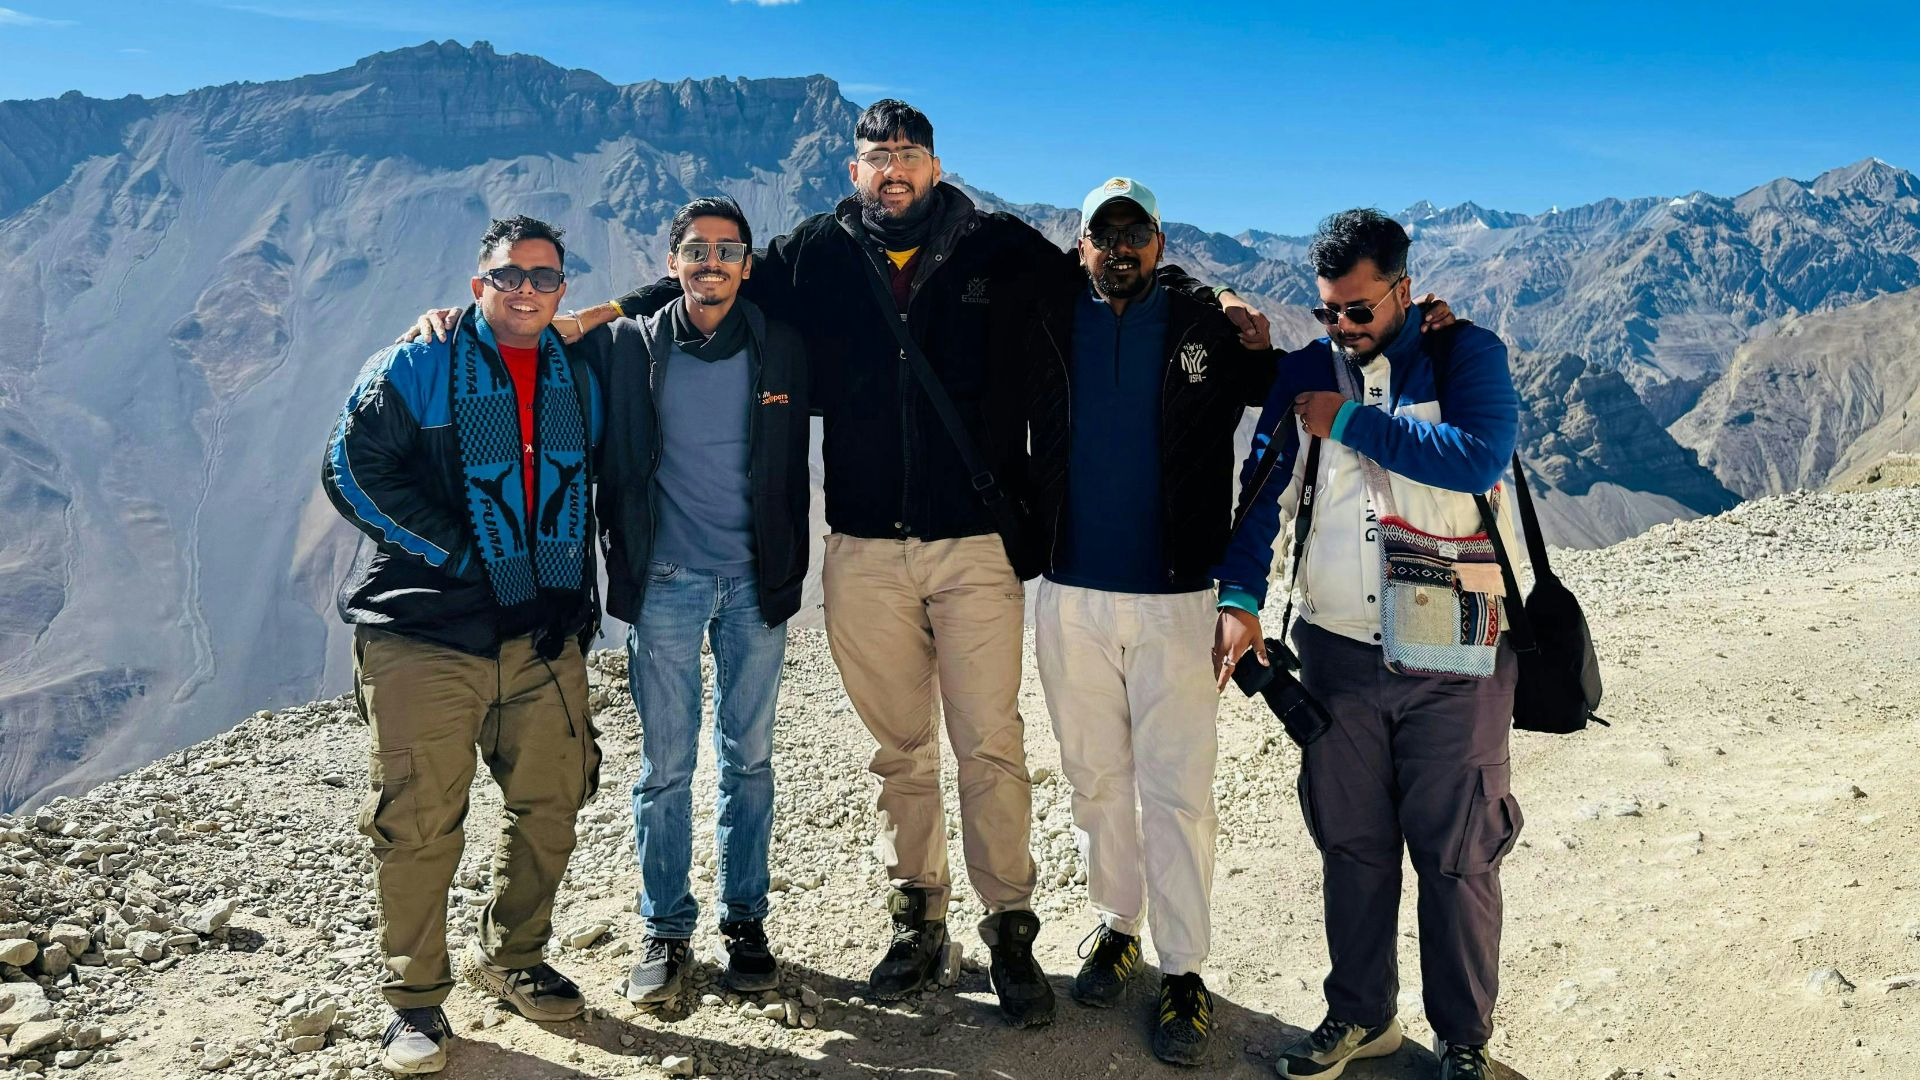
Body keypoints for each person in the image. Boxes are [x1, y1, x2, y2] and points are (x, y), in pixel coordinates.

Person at [406, 100, 1268, 1028]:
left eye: (909, 154)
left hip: (975, 542)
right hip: (861, 544)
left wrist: (1209, 299)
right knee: (899, 747)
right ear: (851, 170)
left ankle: (1009, 928)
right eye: (876, 156)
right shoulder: (816, 252)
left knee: (989, 742)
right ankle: (919, 915)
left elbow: (1106, 273)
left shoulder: (997, 248)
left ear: (935, 164)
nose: (892, 169)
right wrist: (592, 316)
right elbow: (706, 280)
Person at [1211, 209, 1522, 1080]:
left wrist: (1347, 423)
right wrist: (1239, 599)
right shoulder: (1308, 371)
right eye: (1327, 313)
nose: (1343, 329)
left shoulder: (1466, 356)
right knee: (1350, 843)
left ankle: (1466, 1042)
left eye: (1359, 311)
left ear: (1403, 289)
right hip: (1339, 649)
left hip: (1459, 652)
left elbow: (1475, 456)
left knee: (1458, 855)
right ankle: (1361, 1017)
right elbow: (1261, 486)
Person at [322, 215, 604, 1076]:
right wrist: (462, 551)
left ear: (563, 288)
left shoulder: (576, 373)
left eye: (544, 276)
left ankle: (514, 955)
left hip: (540, 630)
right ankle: (414, 1001)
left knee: (555, 799)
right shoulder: (416, 363)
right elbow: (351, 469)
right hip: (424, 633)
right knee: (418, 820)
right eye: (508, 275)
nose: (525, 289)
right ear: (477, 283)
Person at [1004, 176, 1275, 1064]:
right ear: (1079, 245)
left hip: (1178, 599)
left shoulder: (1202, 327)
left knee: (1178, 794)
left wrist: (1228, 301)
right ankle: (1118, 926)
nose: (1119, 249)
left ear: (1161, 241)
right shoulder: (1047, 318)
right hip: (1070, 593)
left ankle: (1185, 971)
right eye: (1102, 235)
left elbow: (1281, 398)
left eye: (1137, 234)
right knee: (1092, 779)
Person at [568, 197, 810, 1007]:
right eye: (696, 251)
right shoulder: (631, 348)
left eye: (727, 250)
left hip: (755, 582)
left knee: (750, 763)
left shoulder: (781, 346)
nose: (712, 263)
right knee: (666, 769)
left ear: (748, 262)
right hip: (666, 580)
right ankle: (666, 929)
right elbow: (523, 347)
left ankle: (746, 923)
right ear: (669, 262)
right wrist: (445, 322)